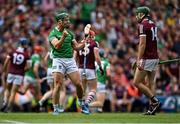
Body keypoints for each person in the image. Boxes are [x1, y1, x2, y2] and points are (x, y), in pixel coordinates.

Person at [48, 10, 86, 115]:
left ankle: (81, 103)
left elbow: (77, 47)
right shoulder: (53, 33)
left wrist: (85, 41)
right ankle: (56, 108)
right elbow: (56, 46)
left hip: (69, 60)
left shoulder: (70, 33)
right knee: (58, 84)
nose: (68, 22)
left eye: (68, 20)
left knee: (78, 84)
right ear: (59, 22)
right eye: (66, 20)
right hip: (58, 59)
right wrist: (63, 37)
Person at [133, 6, 160, 115]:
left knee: (136, 82)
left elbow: (142, 44)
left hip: (147, 58)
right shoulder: (153, 23)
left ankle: (154, 101)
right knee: (150, 83)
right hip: (155, 57)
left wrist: (139, 59)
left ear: (142, 14)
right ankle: (151, 109)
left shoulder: (142, 25)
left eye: (137, 13)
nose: (136, 16)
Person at [76, 29, 103, 114]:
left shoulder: (79, 43)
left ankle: (83, 108)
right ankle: (86, 104)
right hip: (90, 68)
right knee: (93, 89)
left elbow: (74, 57)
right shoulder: (94, 43)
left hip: (80, 68)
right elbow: (97, 58)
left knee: (83, 91)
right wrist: (100, 67)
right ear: (92, 36)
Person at [1, 38, 30, 112]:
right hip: (19, 75)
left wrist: (4, 71)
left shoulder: (12, 52)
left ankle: (4, 102)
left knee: (7, 89)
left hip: (11, 73)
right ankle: (8, 107)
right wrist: (22, 70)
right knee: (13, 92)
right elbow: (28, 67)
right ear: (25, 44)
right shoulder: (26, 54)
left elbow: (6, 62)